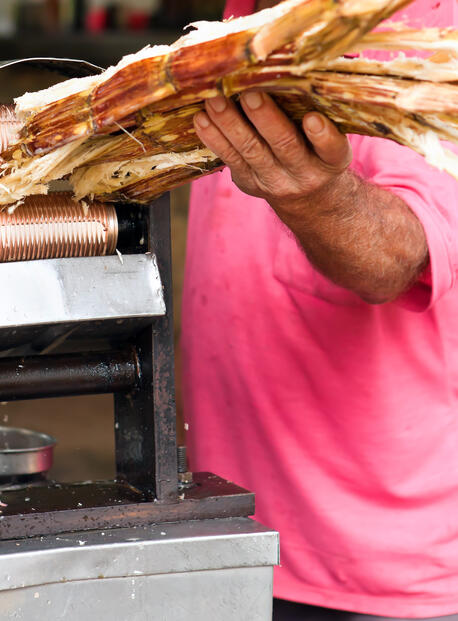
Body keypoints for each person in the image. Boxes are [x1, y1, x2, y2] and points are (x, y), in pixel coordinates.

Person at [183, 0, 458, 619]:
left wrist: (322, 200)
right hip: (230, 534)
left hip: (386, 575)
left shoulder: (437, 36)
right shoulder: (239, 23)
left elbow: (395, 258)